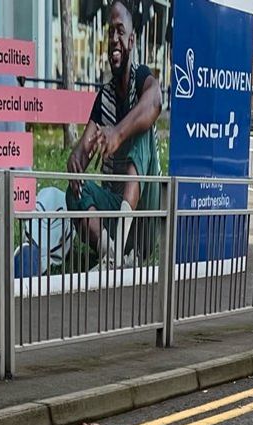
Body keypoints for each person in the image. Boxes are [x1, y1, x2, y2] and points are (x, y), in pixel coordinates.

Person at [64, 0, 162, 265]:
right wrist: (75, 161)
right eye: (110, 32)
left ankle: (121, 248)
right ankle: (112, 255)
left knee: (142, 130)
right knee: (73, 193)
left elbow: (155, 102)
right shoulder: (104, 97)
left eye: (120, 31)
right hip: (112, 210)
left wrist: (117, 134)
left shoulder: (142, 78)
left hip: (143, 219)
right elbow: (83, 152)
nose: (114, 39)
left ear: (131, 40)